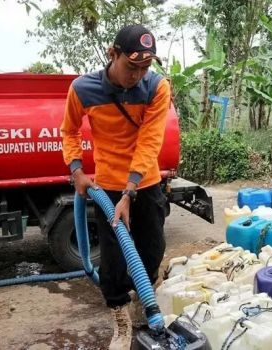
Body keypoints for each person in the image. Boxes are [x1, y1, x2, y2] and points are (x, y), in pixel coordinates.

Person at [61, 24, 170, 349]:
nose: (137, 75)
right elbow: (69, 132)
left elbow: (150, 140)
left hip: (145, 183)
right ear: (113, 54)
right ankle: (121, 323)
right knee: (113, 260)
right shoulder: (82, 89)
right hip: (107, 186)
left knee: (151, 249)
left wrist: (131, 189)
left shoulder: (157, 87)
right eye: (131, 66)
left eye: (145, 68)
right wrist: (77, 170)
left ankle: (144, 303)